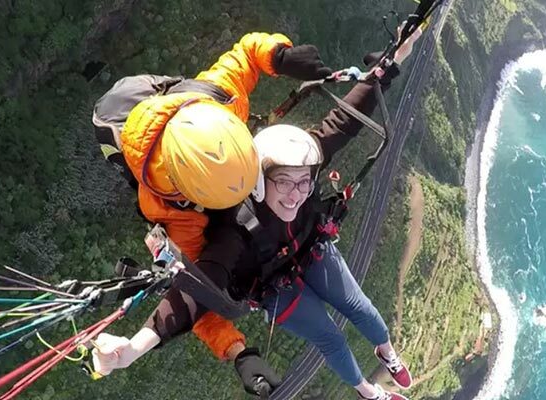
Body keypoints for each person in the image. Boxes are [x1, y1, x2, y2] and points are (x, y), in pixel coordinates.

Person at [92, 26, 425, 400]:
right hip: (269, 281)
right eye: (284, 184)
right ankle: (368, 391)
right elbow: (196, 291)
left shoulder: (215, 103)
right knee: (329, 336)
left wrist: (391, 57)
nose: (297, 195)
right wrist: (134, 350)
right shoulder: (210, 224)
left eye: (304, 183)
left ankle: (386, 352)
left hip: (308, 245)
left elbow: (342, 118)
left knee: (361, 310)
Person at [92, 31, 333, 388]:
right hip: (152, 156)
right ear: (198, 196)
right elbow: (197, 289)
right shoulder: (173, 212)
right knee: (224, 242)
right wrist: (237, 352)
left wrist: (279, 56)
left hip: (181, 112)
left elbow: (247, 54)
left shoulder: (217, 101)